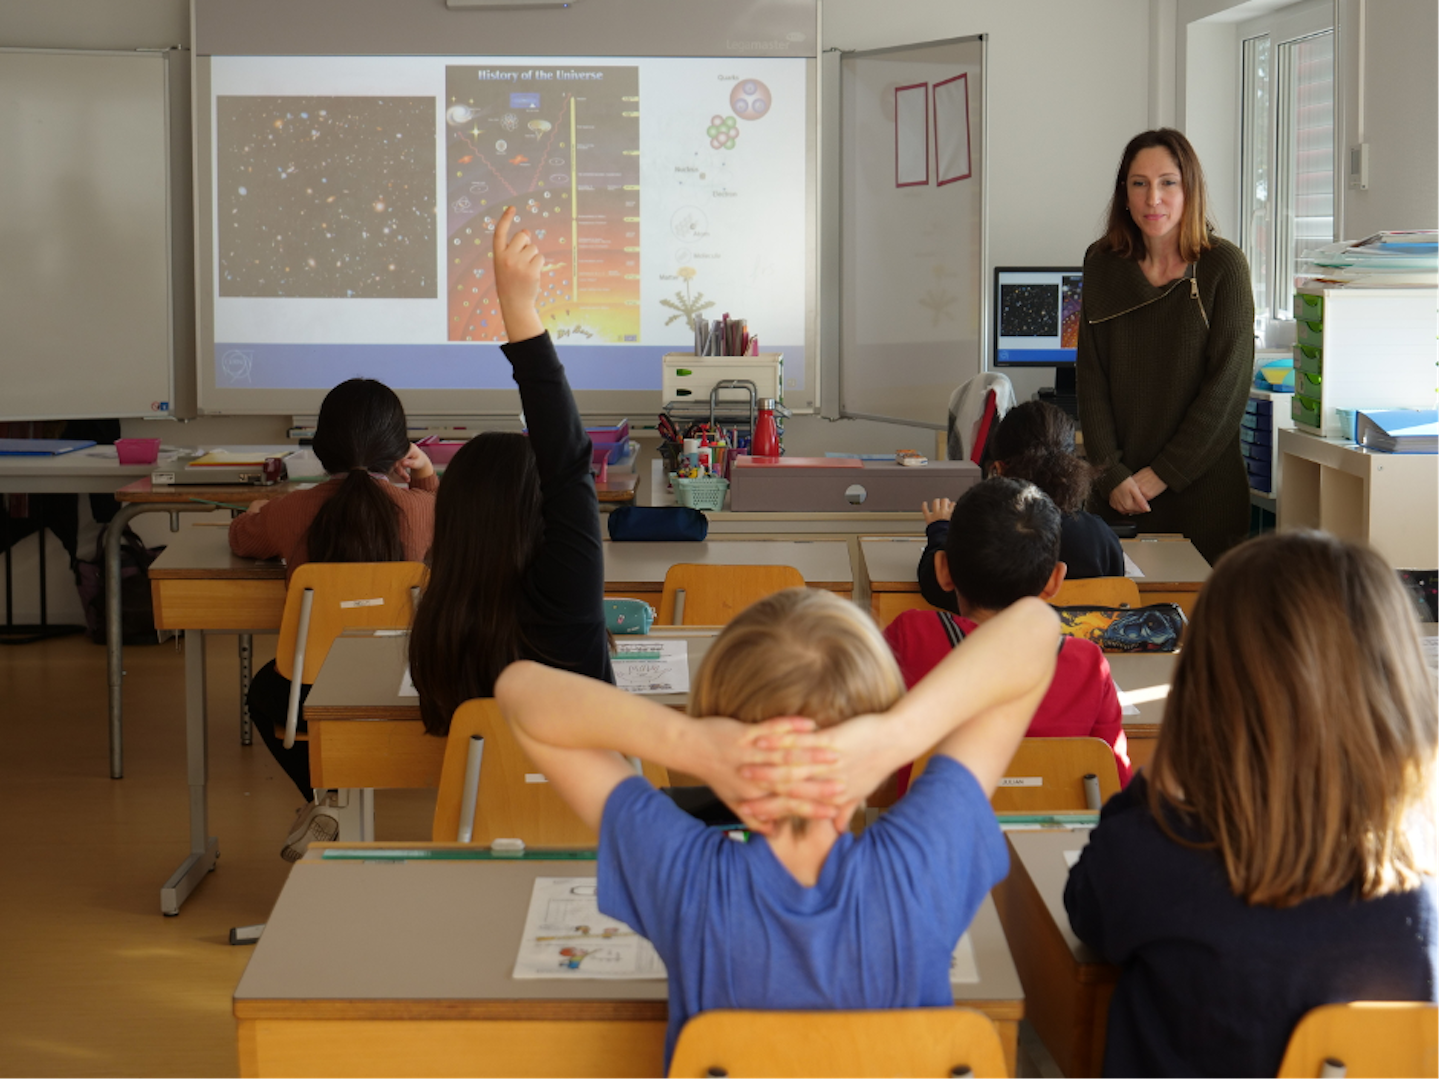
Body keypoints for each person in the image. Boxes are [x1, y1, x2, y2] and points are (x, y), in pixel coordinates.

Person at [496, 588, 1060, 1072]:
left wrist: (690, 745)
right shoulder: (922, 863)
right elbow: (1037, 627)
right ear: (872, 761)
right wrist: (898, 735)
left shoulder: (686, 881)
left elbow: (520, 692)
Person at [1065, 531, 1439, 1077]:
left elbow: (1087, 910)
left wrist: (1154, 786)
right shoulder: (1419, 888)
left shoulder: (1154, 855)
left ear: (1206, 686)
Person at [408, 206, 612, 738]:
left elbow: (567, 468)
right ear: (537, 509)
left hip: (484, 821)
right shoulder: (566, 593)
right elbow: (567, 467)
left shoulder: (437, 624)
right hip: (593, 819)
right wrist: (519, 310)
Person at [229, 377, 436, 858]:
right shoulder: (425, 508)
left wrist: (255, 512)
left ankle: (329, 798)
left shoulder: (291, 510)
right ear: (400, 450)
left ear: (323, 448)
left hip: (309, 689)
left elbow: (243, 540)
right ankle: (338, 799)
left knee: (264, 693)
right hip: (407, 683)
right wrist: (425, 477)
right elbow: (442, 514)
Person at [1076, 127, 1254, 565]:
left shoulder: (1221, 268)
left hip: (1204, 500)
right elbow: (1091, 380)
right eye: (1139, 184)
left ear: (1189, 187)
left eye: (1167, 182)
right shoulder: (1101, 264)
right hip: (1117, 497)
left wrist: (1160, 476)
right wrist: (1111, 474)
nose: (1152, 198)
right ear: (1125, 194)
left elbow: (1225, 393)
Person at [888, 476, 1130, 788]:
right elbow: (1115, 782)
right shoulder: (1088, 666)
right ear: (1055, 581)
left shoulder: (911, 635)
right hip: (1058, 837)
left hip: (935, 833)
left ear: (943, 570)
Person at [917, 400, 1124, 611]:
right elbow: (1115, 590)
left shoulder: (983, 534)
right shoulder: (1098, 535)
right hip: (1079, 640)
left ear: (998, 468)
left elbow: (938, 587)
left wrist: (939, 530)